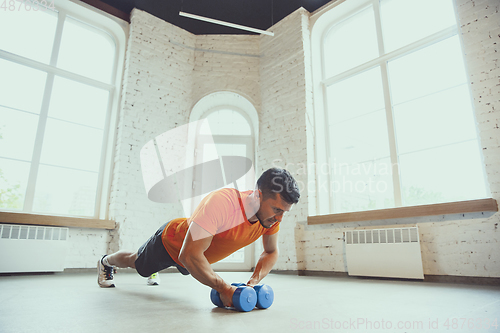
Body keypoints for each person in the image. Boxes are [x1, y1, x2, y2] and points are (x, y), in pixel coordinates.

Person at [97, 167, 300, 307]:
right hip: (172, 243)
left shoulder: (269, 218)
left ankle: (152, 270)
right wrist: (224, 288)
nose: (280, 218)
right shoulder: (223, 203)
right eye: (276, 209)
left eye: (284, 212)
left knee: (188, 264)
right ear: (258, 195)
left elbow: (271, 251)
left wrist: (253, 282)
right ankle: (106, 261)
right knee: (137, 262)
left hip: (194, 258)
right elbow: (189, 254)